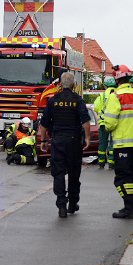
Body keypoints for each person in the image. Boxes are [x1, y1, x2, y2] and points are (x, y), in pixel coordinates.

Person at [37, 72, 91, 218]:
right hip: (73, 142)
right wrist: (87, 138)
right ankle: (73, 203)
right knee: (74, 174)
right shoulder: (78, 100)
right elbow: (85, 122)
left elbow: (44, 124)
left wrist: (42, 141)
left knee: (58, 173)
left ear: (60, 84)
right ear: (73, 84)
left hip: (58, 141)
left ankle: (61, 205)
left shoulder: (53, 100)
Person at [103, 65, 133, 219]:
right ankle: (132, 207)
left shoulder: (115, 96)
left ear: (117, 79)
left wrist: (112, 129)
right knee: (132, 177)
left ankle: (129, 208)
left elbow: (109, 122)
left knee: (121, 178)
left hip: (122, 144)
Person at [92, 76, 117, 169]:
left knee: (102, 143)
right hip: (115, 123)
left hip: (103, 123)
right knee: (113, 143)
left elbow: (96, 107)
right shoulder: (117, 93)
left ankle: (101, 162)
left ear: (105, 85)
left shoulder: (102, 95)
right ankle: (112, 162)